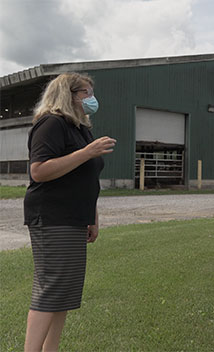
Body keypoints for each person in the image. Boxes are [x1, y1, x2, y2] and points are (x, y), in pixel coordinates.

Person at [23, 72, 116, 351]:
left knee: (64, 294)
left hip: (75, 219)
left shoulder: (80, 129)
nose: (91, 99)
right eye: (85, 93)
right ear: (68, 94)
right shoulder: (51, 124)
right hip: (52, 217)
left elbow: (86, 179)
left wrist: (93, 218)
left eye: (91, 92)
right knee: (51, 291)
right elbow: (39, 171)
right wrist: (87, 152)